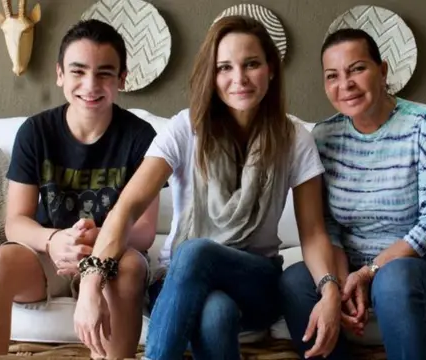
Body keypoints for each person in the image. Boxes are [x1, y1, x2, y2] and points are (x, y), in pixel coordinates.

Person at [72, 16, 343, 360]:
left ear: (271, 70)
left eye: (251, 64)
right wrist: (91, 285)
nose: (239, 79)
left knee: (196, 251)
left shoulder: (294, 139)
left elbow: (314, 232)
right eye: (224, 67)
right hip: (177, 282)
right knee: (216, 313)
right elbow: (126, 208)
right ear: (211, 76)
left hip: (254, 281)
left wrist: (329, 289)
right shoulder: (185, 129)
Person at [0, 19, 160, 360]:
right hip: (49, 257)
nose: (90, 84)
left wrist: (98, 244)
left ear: (122, 80)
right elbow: (16, 222)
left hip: (114, 253)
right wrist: (54, 241)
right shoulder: (36, 132)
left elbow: (143, 232)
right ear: (60, 74)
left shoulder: (141, 137)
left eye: (104, 73)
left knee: (130, 268)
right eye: (78, 71)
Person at [279, 28, 426, 360]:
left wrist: (368, 273)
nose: (344, 84)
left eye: (357, 69)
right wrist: (336, 282)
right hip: (351, 263)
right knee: (294, 281)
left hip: (422, 264)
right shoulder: (324, 136)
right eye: (332, 76)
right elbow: (328, 225)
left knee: (392, 281)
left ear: (383, 71)